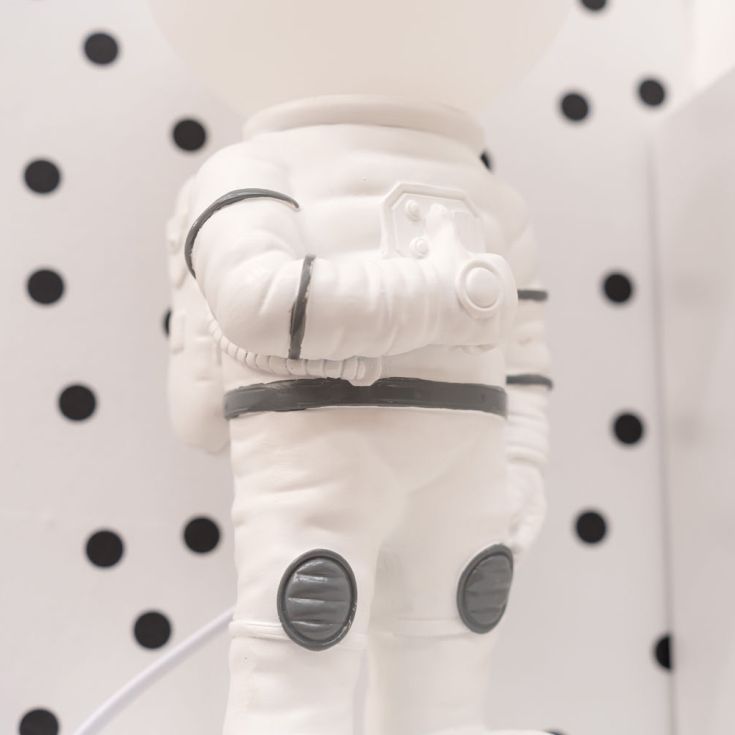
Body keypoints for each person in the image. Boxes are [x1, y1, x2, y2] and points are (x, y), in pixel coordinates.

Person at [155, 1, 568, 732]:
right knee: (302, 642)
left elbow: (524, 350)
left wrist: (523, 463)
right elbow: (256, 301)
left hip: (465, 462)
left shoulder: (494, 201)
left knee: (451, 650)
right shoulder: (254, 169)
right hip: (318, 454)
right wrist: (437, 298)